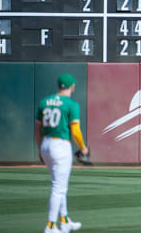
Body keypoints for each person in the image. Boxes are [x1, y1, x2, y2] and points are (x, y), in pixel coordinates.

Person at [34, 73, 88, 233]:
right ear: (71, 86)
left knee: (60, 185)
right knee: (58, 187)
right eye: (74, 85)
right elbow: (76, 130)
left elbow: (37, 128)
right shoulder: (71, 104)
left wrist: (40, 148)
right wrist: (83, 147)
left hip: (46, 145)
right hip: (60, 146)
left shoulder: (44, 102)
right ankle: (50, 226)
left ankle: (64, 221)